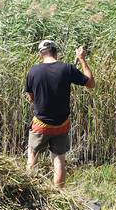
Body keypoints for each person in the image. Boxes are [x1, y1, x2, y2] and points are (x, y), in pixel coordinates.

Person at [25, 40, 95, 188]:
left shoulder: (33, 71)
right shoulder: (67, 69)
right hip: (61, 125)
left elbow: (31, 98)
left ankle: (28, 190)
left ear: (41, 54)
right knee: (59, 159)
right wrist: (82, 59)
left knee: (32, 156)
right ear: (56, 52)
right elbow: (90, 84)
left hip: (41, 125)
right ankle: (59, 194)